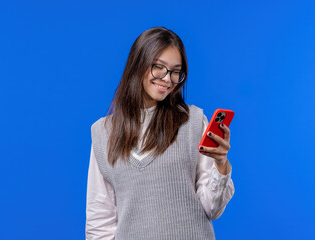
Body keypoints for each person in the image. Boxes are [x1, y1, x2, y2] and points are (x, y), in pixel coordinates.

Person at [85, 27, 235, 240]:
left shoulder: (192, 121)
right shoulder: (103, 133)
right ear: (138, 63)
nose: (168, 79)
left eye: (176, 71)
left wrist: (220, 165)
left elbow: (213, 209)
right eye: (159, 67)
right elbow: (99, 221)